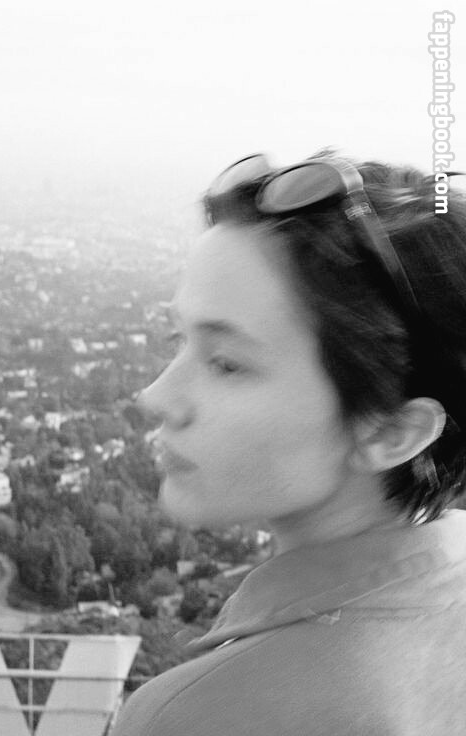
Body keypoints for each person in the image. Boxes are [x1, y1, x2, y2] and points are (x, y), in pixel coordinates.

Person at [111, 153, 466, 735]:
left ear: (391, 432)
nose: (156, 396)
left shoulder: (203, 714)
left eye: (226, 364)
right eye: (178, 339)